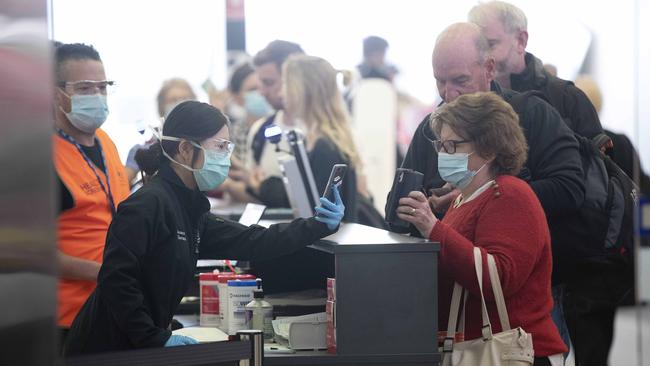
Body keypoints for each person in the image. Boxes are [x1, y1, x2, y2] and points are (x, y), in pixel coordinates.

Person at [63, 101, 344, 355]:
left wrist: (317, 225)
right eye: (220, 147)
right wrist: (153, 337)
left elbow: (253, 240)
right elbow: (117, 280)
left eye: (228, 148)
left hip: (137, 345)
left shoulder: (189, 207)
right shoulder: (148, 204)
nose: (225, 157)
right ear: (186, 149)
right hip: (105, 349)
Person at [397, 92, 567, 366]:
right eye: (440, 145)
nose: (442, 154)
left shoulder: (510, 195)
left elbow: (498, 278)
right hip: (477, 349)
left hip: (509, 353)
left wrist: (433, 228)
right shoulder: (465, 198)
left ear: (488, 148)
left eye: (452, 146)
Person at [53, 43, 131, 344]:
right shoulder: (37, 156)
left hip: (116, 310)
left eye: (102, 86)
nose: (97, 96)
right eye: (84, 88)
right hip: (67, 321)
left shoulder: (106, 142)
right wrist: (104, 273)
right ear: (55, 93)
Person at [468, 0, 603, 139]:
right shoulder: (469, 101)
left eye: (491, 44)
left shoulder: (568, 99)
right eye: (478, 48)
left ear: (521, 41)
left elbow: (598, 159)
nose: (482, 57)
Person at [220, 40, 304, 204]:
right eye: (260, 84)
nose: (263, 93)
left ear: (294, 79)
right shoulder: (261, 130)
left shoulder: (322, 133)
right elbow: (255, 196)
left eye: (269, 83)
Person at [124, 78, 197, 184]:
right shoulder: (147, 148)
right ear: (161, 106)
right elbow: (121, 186)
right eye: (173, 100)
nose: (180, 104)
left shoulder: (207, 142)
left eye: (185, 99)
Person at [225, 62, 272, 163]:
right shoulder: (231, 135)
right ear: (237, 97)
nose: (261, 93)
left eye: (264, 85)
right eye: (253, 89)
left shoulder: (281, 126)